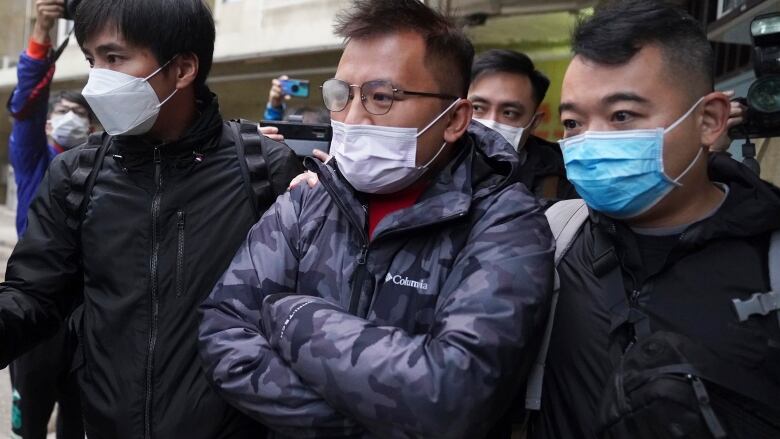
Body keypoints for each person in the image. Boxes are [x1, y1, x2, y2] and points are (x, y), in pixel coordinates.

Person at [198, 0, 554, 438]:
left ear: (455, 118)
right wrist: (366, 422)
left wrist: (293, 314)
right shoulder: (308, 201)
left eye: (381, 97)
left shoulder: (505, 223)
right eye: (341, 95)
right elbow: (222, 332)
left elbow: (453, 394)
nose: (352, 117)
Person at [0, 0, 302, 438]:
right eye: (91, 60)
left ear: (182, 69)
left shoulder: (264, 171)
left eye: (114, 58)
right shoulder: (76, 175)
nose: (95, 81)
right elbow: (33, 296)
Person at [530, 1, 780, 438]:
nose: (591, 142)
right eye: (572, 123)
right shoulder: (553, 238)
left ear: (709, 120)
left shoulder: (771, 261)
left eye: (622, 116)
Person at [6, 1, 91, 437]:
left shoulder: (104, 167)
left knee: (78, 424)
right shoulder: (35, 160)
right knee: (29, 424)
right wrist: (42, 29)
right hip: (37, 311)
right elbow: (26, 101)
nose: (71, 121)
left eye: (81, 114)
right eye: (63, 113)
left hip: (88, 315)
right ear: (45, 125)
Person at [469, 49, 577, 202]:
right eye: (477, 108)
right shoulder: (431, 165)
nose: (490, 123)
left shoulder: (566, 182)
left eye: (509, 113)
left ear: (534, 122)